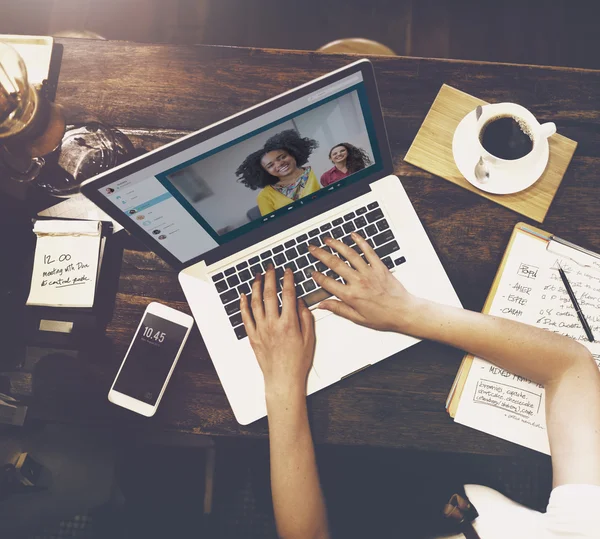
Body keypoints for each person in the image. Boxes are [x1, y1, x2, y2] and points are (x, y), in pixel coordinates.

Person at [239, 232, 600, 539]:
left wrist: (282, 382)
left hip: (354, 505)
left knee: (253, 457)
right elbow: (571, 368)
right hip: (445, 487)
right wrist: (407, 313)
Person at [237, 130, 321, 216]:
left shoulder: (318, 171)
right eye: (270, 165)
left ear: (293, 153)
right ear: (265, 172)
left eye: (282, 157)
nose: (279, 164)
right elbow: (272, 225)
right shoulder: (264, 196)